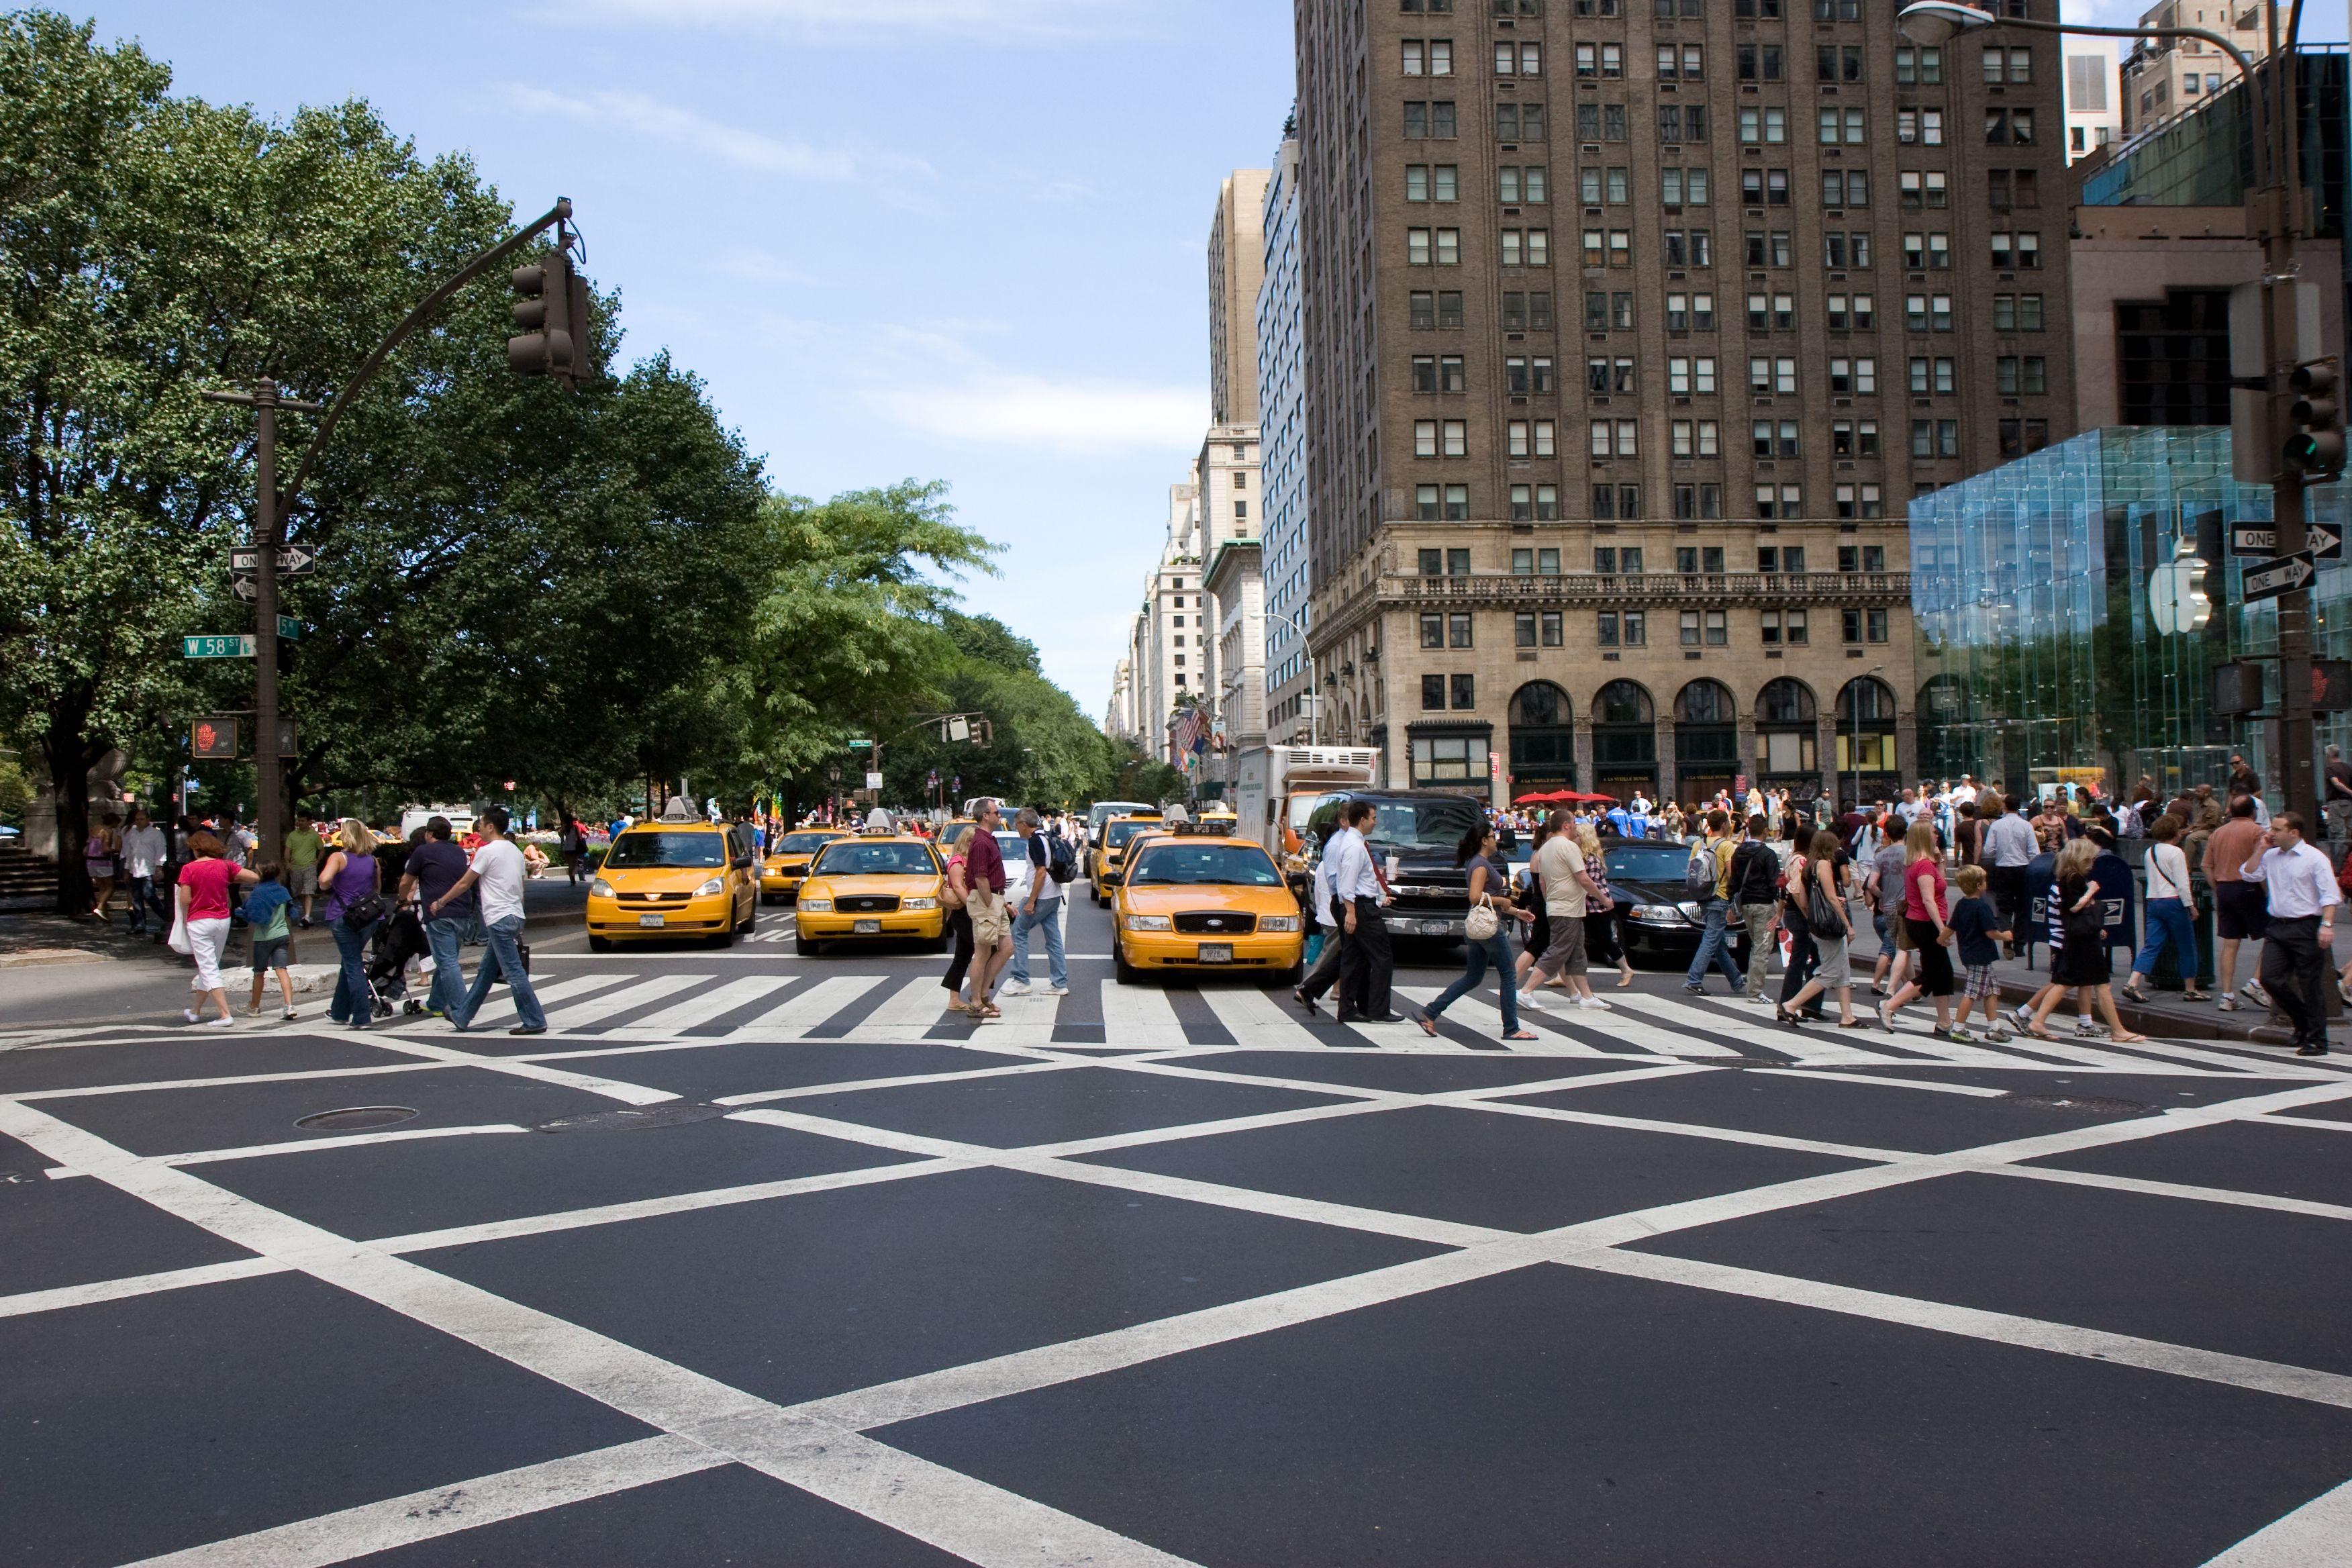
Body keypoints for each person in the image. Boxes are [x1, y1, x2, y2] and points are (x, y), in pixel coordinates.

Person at [1418, 823, 1538, 1041]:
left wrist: (1517, 912)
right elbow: (1475, 897)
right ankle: (1511, 1028)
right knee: (1509, 975)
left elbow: (1486, 899)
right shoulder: (1481, 865)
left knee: (1473, 977)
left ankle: (1431, 1012)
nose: (1496, 840)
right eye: (1493, 836)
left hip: (1479, 926)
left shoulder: (1477, 862)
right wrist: (1502, 900)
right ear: (1484, 840)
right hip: (1489, 928)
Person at [435, 806, 548, 1036]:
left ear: (490, 826)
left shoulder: (486, 852)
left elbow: (465, 883)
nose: (478, 828)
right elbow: (520, 887)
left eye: (481, 824)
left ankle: (534, 1020)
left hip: (498, 918)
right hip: (514, 915)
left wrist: (441, 901)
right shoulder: (515, 851)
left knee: (513, 972)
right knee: (486, 971)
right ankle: (462, 1015)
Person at [2026, 838, 2146, 1042]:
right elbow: (2073, 907)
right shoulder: (2074, 878)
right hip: (2083, 941)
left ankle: (2039, 1020)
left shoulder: (2067, 877)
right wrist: (2090, 892)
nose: (2092, 864)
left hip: (2078, 938)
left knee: (2067, 983)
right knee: (2095, 984)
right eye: (2089, 859)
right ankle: (2116, 1030)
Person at [2240, 811, 2337, 1056]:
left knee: (2309, 983)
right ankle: (2303, 1022)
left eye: (2277, 829)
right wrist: (2261, 849)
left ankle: (2317, 1039)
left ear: (2293, 832)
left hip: (2306, 925)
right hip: (2277, 925)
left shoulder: (2314, 858)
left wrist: (2327, 925)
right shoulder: (2271, 855)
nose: (2270, 833)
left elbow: (2329, 894)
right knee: (2269, 978)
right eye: (2271, 828)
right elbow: (2248, 874)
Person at [1876, 820, 1964, 1040]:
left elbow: (1940, 883)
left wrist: (1940, 860)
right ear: (1924, 837)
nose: (1937, 835)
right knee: (1933, 974)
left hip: (1921, 922)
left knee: (1943, 973)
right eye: (1933, 833)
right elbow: (1928, 899)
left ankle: (1944, 1021)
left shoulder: (1918, 862)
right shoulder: (1923, 865)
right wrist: (1942, 929)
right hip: (1927, 923)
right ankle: (1889, 1005)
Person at [1325, 799, 1401, 1022]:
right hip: (1360, 907)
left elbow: (1356, 879)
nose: (1375, 822)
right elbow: (1347, 882)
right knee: (1382, 957)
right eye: (1373, 818)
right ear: (1362, 820)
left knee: (1353, 958)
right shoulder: (1354, 847)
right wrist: (1351, 911)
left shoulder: (1354, 843)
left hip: (1358, 905)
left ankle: (1348, 1009)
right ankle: (1378, 1010)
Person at [1779, 829, 1863, 1028]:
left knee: (1842, 970)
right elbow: (1832, 898)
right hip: (1830, 925)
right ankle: (1791, 1004)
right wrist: (1847, 925)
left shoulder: (1807, 866)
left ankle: (1847, 1016)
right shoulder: (1823, 864)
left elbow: (1802, 899)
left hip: (1817, 924)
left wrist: (1812, 916)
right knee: (1830, 971)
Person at [1528, 808, 1608, 1010]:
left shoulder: (1545, 848)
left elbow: (1543, 881)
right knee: (1558, 951)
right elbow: (1584, 879)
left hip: (1561, 906)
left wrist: (1550, 900)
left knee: (1576, 953)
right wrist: (1604, 899)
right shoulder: (1569, 847)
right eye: (1573, 823)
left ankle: (1586, 996)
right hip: (1567, 908)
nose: (1575, 827)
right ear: (1566, 825)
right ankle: (1526, 991)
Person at [399, 817, 477, 1020]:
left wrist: (402, 899)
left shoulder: (423, 851)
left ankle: (462, 1007)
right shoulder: (458, 851)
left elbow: (407, 881)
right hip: (462, 911)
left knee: (447, 961)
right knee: (447, 959)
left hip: (439, 912)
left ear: (430, 833)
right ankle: (436, 1002)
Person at [174, 830, 254, 1027]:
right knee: (210, 965)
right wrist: (228, 880)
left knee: (208, 967)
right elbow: (253, 877)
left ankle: (225, 1014)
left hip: (199, 921)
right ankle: (195, 1011)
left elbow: (185, 899)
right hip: (222, 919)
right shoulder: (225, 865)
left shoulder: (189, 869)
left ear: (196, 848)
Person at [2122, 814, 2204, 1005]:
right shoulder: (2176, 853)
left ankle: (2133, 982)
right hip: (2173, 901)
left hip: (2154, 900)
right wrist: (2191, 906)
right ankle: (2190, 989)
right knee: (2186, 945)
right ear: (2175, 833)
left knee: (2152, 945)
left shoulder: (2149, 852)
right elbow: (2182, 884)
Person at [2205, 793, 2271, 1012]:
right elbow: (2261, 866)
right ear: (2253, 812)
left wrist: (2218, 888)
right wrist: (2268, 893)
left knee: (2230, 942)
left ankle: (2227, 995)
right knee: (2273, 935)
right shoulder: (2257, 832)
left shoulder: (2218, 833)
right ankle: (2256, 981)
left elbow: (2206, 866)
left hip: (2225, 888)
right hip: (2249, 887)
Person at [317, 819, 385, 1030]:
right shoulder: (372, 860)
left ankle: (362, 1017)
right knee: (349, 961)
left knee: (353, 964)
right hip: (369, 917)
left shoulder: (339, 857)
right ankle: (339, 1011)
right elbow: (377, 888)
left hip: (343, 915)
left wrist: (331, 885)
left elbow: (324, 880)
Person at [1001, 807, 1069, 998]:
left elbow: (1041, 872)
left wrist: (1031, 901)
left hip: (1041, 896)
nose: (1016, 829)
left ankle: (1021, 979)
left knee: (1018, 932)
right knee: (1054, 939)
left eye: (1017, 825)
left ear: (1024, 824)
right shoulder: (1045, 836)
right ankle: (1059, 983)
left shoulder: (1035, 841)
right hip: (1053, 894)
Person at [961, 798, 1016, 1021]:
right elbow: (980, 877)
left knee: (1007, 947)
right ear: (985, 815)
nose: (1000, 816)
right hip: (987, 900)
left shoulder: (988, 839)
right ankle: (976, 1003)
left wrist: (1002, 903)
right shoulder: (981, 842)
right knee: (982, 953)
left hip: (995, 899)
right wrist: (989, 903)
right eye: (996, 812)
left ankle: (983, 995)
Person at [1947, 864, 2013, 1041]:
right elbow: (1991, 932)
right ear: (1978, 885)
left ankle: (1994, 1027)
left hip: (1969, 952)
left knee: (1991, 990)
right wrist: (2005, 936)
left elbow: (1951, 926)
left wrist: (1942, 939)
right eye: (1984, 881)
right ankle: (1958, 1028)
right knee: (1972, 992)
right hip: (1980, 955)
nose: (1986, 884)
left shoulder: (1962, 904)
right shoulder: (1982, 907)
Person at [1682, 810, 1745, 995]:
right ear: (1725, 825)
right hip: (1720, 896)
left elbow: (1691, 871)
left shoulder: (1698, 844)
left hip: (1703, 896)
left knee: (1718, 944)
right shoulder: (1727, 846)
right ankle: (1694, 979)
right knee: (1711, 940)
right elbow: (1731, 874)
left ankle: (1736, 981)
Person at [1728, 814, 1783, 1002]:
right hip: (1763, 904)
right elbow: (1774, 883)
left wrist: (1731, 905)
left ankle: (1753, 982)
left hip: (1745, 903)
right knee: (1762, 948)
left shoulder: (1738, 852)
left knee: (1756, 944)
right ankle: (1755, 991)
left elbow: (1734, 880)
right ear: (1765, 831)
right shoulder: (1767, 854)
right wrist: (1780, 905)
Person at [1576, 822, 1634, 989]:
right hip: (1589, 906)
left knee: (1604, 939)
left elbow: (1590, 885)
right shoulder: (1582, 858)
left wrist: (1604, 901)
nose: (1574, 838)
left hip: (1597, 906)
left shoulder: (1591, 859)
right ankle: (1566, 974)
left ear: (1584, 838)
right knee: (1576, 940)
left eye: (1578, 836)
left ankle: (1626, 969)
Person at [241, 862, 300, 1021]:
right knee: (282, 969)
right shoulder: (282, 890)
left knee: (259, 973)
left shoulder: (258, 893)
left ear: (261, 874)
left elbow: (250, 914)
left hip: (264, 937)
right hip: (282, 935)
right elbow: (292, 912)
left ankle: (254, 1007)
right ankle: (289, 1006)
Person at [1293, 836, 1344, 1014]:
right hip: (1334, 918)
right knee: (1330, 956)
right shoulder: (1334, 866)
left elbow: (1317, 893)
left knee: (1339, 955)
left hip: (1327, 915)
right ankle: (1305, 988)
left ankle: (1337, 990)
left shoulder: (1323, 865)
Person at [938, 824, 977, 1013]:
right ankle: (979, 994)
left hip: (967, 911)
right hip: (963, 913)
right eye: (975, 842)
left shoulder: (969, 860)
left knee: (962, 956)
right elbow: (957, 886)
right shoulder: (958, 861)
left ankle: (955, 999)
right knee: (986, 951)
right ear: (967, 842)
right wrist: (972, 906)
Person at [118, 808, 167, 937]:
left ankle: (166, 917)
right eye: (137, 819)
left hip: (149, 869)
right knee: (136, 898)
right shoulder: (132, 834)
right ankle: (140, 924)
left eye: (142, 819)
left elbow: (161, 851)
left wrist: (159, 868)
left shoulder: (156, 834)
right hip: (135, 869)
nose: (139, 822)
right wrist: (127, 870)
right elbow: (130, 853)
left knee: (149, 895)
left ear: (148, 820)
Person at [285, 817, 323, 926]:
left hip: (309, 866)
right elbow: (288, 850)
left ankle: (307, 915)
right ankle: (306, 915)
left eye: (303, 821)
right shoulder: (293, 835)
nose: (300, 823)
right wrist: (287, 862)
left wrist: (318, 861)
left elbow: (321, 850)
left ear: (309, 822)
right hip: (296, 867)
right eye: (299, 821)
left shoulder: (315, 835)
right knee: (300, 891)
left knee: (309, 891)